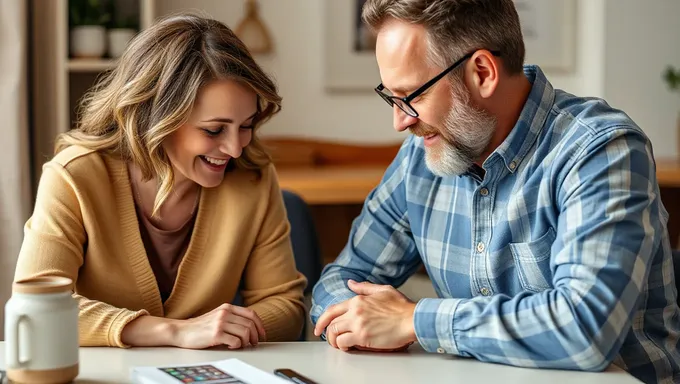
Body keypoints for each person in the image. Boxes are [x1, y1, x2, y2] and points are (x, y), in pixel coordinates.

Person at [310, 0, 680, 382]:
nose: (400, 121)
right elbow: (341, 278)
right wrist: (358, 318)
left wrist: (413, 321)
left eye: (412, 97)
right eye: (390, 96)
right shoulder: (419, 159)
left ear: (483, 72)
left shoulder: (600, 151)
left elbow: (585, 330)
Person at [14, 13, 307, 349]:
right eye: (213, 130)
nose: (236, 149)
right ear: (154, 117)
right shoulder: (75, 177)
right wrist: (176, 332)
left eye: (247, 125)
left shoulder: (253, 177)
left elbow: (286, 307)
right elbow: (36, 310)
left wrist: (227, 329)